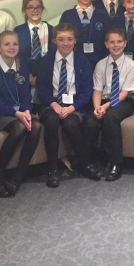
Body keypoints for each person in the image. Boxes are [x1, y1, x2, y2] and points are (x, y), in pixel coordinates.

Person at [0, 31, 42, 198]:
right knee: (18, 128)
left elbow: (25, 96)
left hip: (19, 112)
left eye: (14, 44)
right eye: (7, 44)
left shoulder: (22, 66)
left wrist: (27, 111)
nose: (11, 47)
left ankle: (17, 178)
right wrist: (17, 114)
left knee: (35, 126)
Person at [36, 23, 95, 187]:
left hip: (74, 104)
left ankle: (84, 163)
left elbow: (87, 90)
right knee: (51, 121)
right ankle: (53, 169)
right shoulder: (47, 61)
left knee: (70, 123)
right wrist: (54, 105)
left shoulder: (82, 61)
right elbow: (42, 87)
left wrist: (72, 107)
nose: (65, 43)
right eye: (61, 39)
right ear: (54, 40)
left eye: (69, 39)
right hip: (51, 103)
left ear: (75, 40)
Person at [83, 27, 134, 182]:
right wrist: (96, 108)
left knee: (110, 118)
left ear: (125, 43)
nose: (116, 45)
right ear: (106, 44)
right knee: (90, 123)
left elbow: (124, 93)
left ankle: (116, 162)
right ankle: (87, 160)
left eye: (119, 42)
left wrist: (105, 107)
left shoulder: (132, 65)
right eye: (112, 42)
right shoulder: (101, 64)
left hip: (123, 101)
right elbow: (97, 89)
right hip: (102, 100)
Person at [59, 0, 111, 69]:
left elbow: (109, 41)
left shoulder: (102, 15)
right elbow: (60, 42)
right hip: (73, 66)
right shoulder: (67, 16)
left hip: (99, 66)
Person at [15, 0, 54, 113]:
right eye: (30, 7)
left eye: (38, 7)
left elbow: (52, 55)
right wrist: (28, 75)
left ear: (42, 9)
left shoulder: (51, 29)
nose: (35, 10)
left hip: (45, 74)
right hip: (25, 74)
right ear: (24, 10)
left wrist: (40, 76)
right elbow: (17, 55)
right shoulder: (18, 31)